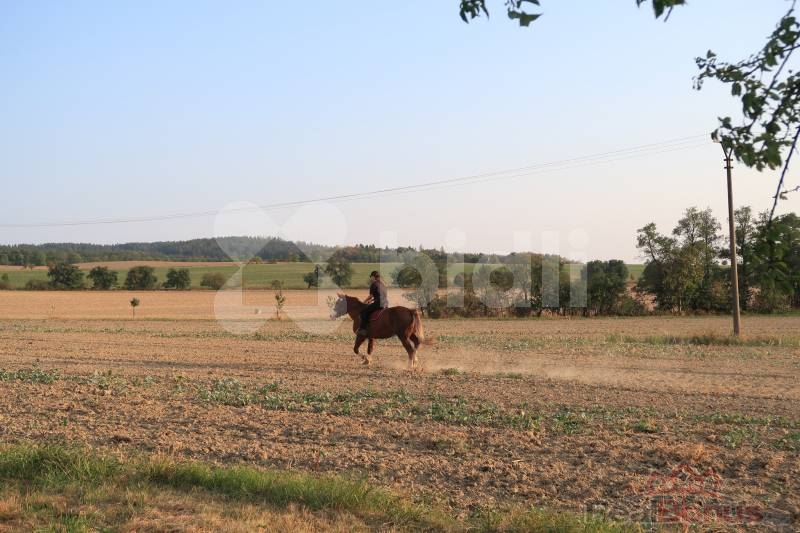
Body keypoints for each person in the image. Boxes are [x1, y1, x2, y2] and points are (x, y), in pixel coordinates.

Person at [357, 271, 388, 336]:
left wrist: (363, 302)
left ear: (373, 277)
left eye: (370, 276)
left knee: (363, 312)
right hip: (385, 304)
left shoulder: (374, 284)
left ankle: (363, 329)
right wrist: (371, 300)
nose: (370, 278)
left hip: (378, 304)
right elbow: (380, 295)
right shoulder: (383, 284)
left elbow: (370, 296)